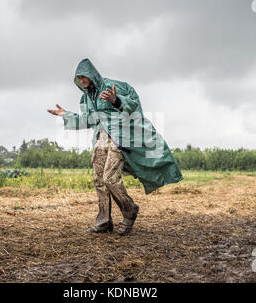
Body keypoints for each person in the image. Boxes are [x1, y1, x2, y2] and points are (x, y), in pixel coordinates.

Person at [48, 58, 183, 235]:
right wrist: (65, 115)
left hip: (119, 138)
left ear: (91, 74)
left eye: (83, 76)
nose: (81, 81)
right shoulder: (86, 97)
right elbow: (89, 120)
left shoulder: (113, 86)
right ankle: (104, 221)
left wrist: (116, 100)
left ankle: (129, 210)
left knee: (110, 177)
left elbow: (132, 103)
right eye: (79, 78)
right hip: (100, 139)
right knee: (99, 180)